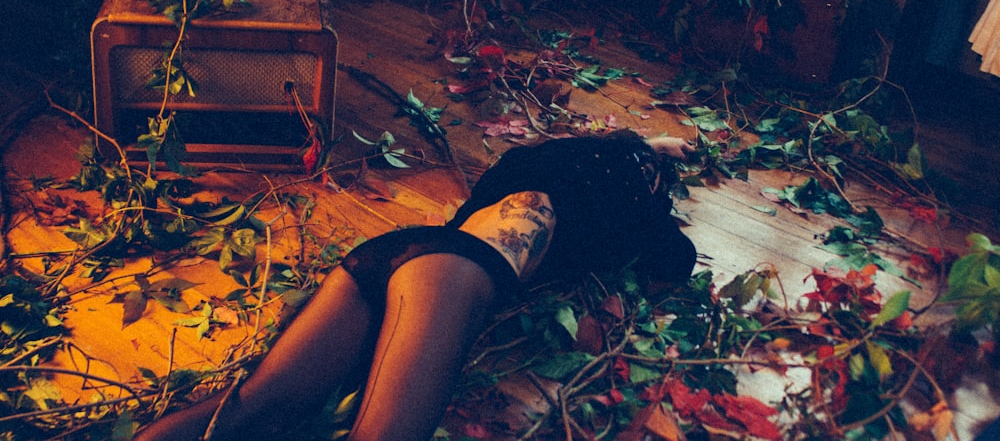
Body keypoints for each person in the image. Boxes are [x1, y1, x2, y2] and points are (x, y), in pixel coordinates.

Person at [134, 130, 698, 441]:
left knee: (256, 405)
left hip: (390, 254)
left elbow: (581, 149)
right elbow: (677, 258)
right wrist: (650, 173)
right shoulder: (623, 195)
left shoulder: (529, 163)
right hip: (452, 273)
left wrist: (642, 141)